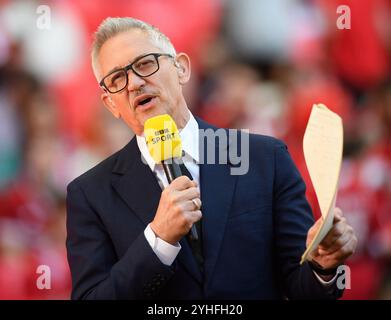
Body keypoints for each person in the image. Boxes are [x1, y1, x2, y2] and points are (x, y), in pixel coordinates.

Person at [66, 17, 357, 299]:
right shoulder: (90, 195)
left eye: (144, 64)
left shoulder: (266, 160)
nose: (134, 83)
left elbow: (301, 285)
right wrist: (158, 241)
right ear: (110, 104)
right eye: (117, 78)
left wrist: (324, 264)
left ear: (181, 68)